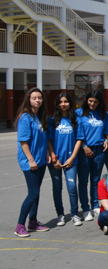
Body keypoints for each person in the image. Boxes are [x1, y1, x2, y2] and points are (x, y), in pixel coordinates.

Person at [14, 88, 49, 238]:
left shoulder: (39, 117)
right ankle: (20, 225)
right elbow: (23, 141)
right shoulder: (25, 117)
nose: (37, 100)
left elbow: (43, 139)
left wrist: (46, 154)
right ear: (28, 100)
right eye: (34, 98)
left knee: (36, 192)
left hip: (40, 161)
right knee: (33, 192)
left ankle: (33, 221)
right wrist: (31, 160)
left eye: (39, 98)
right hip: (30, 162)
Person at [47, 92, 84, 227]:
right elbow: (49, 140)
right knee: (57, 188)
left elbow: (79, 140)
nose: (63, 104)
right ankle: (60, 215)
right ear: (57, 104)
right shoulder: (52, 120)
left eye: (66, 101)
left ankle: (74, 214)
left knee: (72, 187)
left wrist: (72, 158)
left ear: (70, 103)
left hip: (71, 161)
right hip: (55, 161)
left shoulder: (76, 120)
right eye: (60, 102)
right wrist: (53, 158)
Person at [76, 90, 108, 222]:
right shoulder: (79, 113)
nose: (92, 104)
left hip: (99, 150)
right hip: (84, 150)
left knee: (95, 180)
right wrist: (84, 146)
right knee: (83, 180)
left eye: (95, 102)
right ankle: (85, 208)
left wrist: (106, 140)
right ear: (86, 100)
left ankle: (95, 205)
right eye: (90, 101)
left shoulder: (102, 114)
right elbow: (76, 134)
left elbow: (107, 131)